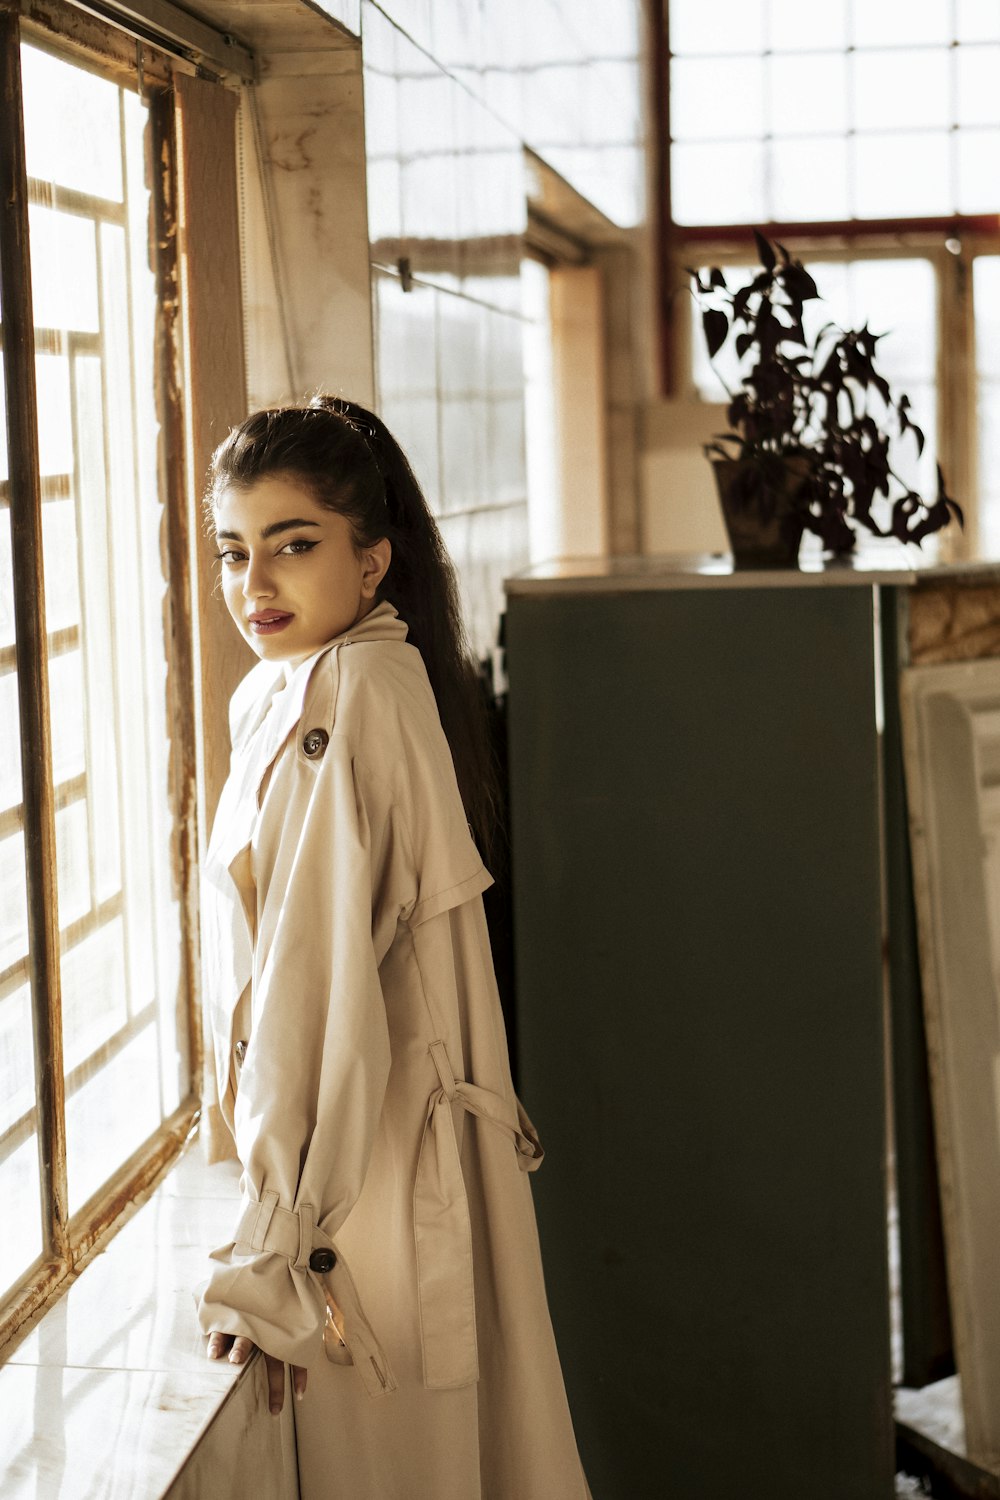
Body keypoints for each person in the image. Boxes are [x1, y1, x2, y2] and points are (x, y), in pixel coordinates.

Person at [194, 396, 591, 1498]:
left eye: (294, 545)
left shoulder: (354, 695)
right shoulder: (298, 688)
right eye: (234, 551)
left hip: (361, 1201)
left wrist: (267, 1247)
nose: (254, 585)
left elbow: (308, 996)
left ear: (370, 564)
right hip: (369, 1173)